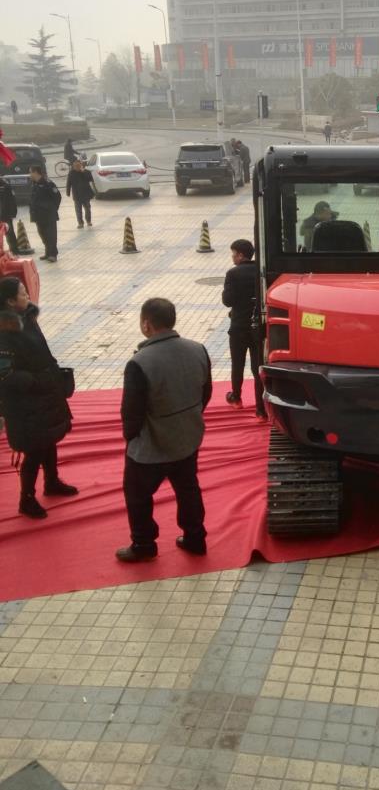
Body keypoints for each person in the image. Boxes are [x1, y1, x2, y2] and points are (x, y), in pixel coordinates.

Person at [117, 297, 212, 562]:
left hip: (151, 446)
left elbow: (131, 412)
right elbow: (206, 392)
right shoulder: (198, 349)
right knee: (188, 488)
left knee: (137, 495)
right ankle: (195, 538)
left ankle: (144, 544)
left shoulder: (139, 362)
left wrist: (132, 438)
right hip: (188, 437)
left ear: (146, 325)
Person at [0, 278, 77, 519]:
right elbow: (5, 374)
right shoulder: (4, 331)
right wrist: (35, 381)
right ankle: (27, 498)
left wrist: (54, 373)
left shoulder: (28, 319)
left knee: (50, 437)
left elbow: (42, 351)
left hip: (45, 391)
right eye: (23, 292)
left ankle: (51, 481)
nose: (27, 295)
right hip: (25, 401)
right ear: (11, 301)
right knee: (34, 449)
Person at [221, 239, 265, 417]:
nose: (232, 257)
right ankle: (260, 408)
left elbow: (227, 301)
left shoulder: (233, 273)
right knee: (257, 367)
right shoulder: (259, 271)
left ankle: (236, 398)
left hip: (239, 326)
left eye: (233, 253)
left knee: (237, 363)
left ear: (240, 255)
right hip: (256, 327)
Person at [29, 165, 61, 262]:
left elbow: (57, 197)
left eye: (30, 172)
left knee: (51, 235)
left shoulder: (48, 183)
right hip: (38, 215)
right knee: (42, 234)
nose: (29, 174)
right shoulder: (34, 184)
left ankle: (53, 255)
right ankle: (47, 253)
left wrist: (52, 208)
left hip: (48, 214)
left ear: (35, 172)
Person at [66, 158, 95, 228]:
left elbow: (90, 179)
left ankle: (88, 221)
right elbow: (68, 183)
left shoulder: (86, 172)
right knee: (78, 210)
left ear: (81, 165)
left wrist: (83, 172)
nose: (77, 167)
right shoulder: (71, 173)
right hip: (77, 195)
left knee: (87, 208)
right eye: (75, 166)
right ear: (73, 166)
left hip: (86, 194)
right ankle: (80, 223)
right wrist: (68, 192)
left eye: (78, 166)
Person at [0, 176, 19, 254]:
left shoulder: (5, 186)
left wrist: (12, 213)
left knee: (9, 233)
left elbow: (12, 200)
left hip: (5, 214)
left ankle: (14, 251)